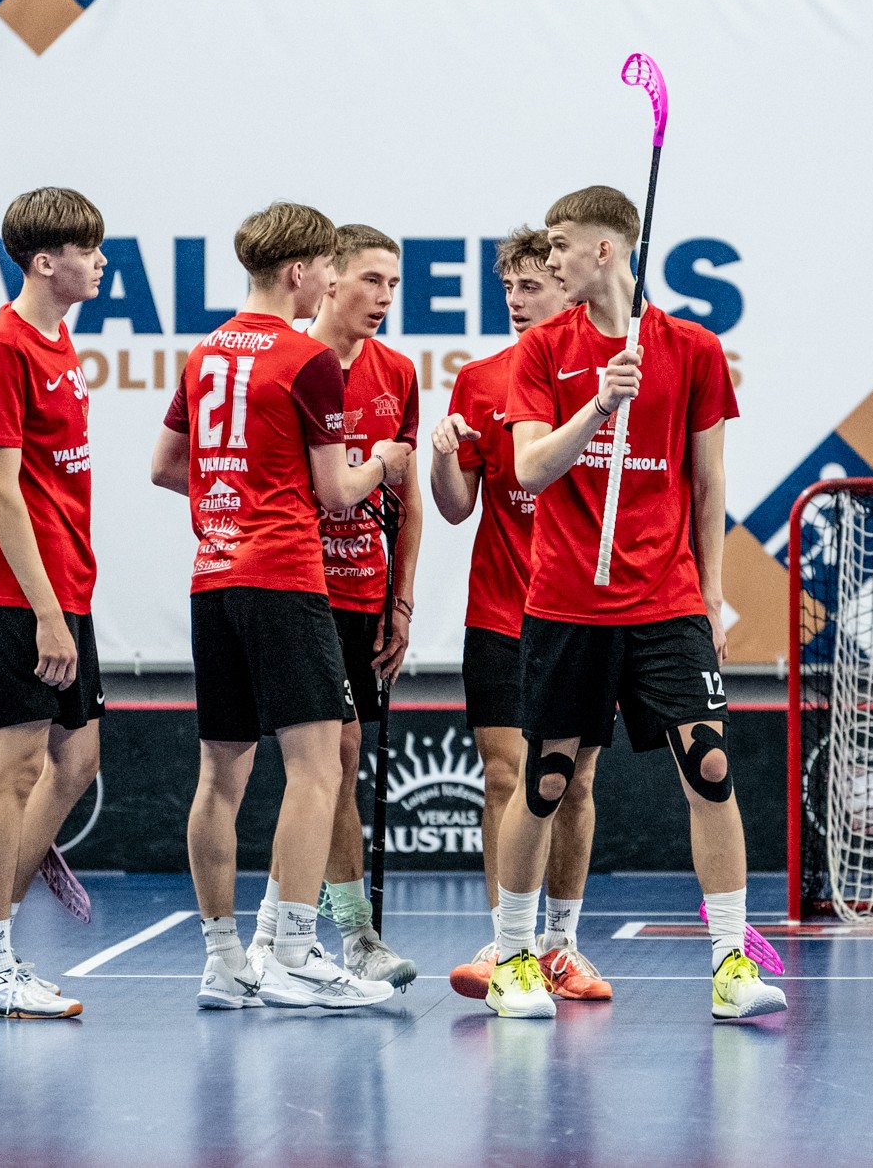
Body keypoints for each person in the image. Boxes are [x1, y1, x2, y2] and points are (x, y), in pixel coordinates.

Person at [487, 185, 783, 1021]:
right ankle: (513, 958)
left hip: (667, 599)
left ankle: (730, 962)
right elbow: (531, 467)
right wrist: (600, 402)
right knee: (547, 778)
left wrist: (711, 593)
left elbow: (709, 478)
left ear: (605, 249)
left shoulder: (692, 348)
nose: (549, 260)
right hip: (567, 601)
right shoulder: (543, 350)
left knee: (711, 765)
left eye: (560, 244)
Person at [149, 201, 408, 1009]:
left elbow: (165, 466)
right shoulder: (307, 360)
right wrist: (383, 462)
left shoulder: (205, 352)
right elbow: (336, 492)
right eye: (328, 267)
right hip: (285, 577)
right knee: (318, 767)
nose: (331, 281)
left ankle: (225, 958)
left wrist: (236, 498)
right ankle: (295, 951)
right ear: (299, 271)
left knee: (219, 775)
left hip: (214, 577)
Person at [431, 227, 610, 1004]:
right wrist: (443, 455)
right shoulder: (479, 381)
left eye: (530, 285)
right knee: (506, 775)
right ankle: (509, 943)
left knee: (574, 781)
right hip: (502, 611)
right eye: (507, 286)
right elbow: (455, 506)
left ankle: (561, 945)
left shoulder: (611, 378)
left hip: (584, 614)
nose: (514, 299)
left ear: (569, 287)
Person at [0, 187, 109, 1019]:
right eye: (88, 249)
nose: (101, 261)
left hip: (65, 584)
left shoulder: (59, 338)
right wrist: (45, 610)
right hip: (18, 592)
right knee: (16, 762)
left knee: (76, 760)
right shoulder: (2, 348)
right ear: (46, 262)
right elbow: (0, 490)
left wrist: (66, 597)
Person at [296, 222, 421, 989]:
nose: (383, 297)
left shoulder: (397, 372)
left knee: (342, 762)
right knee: (330, 756)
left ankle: (323, 931)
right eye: (372, 279)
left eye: (394, 284)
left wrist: (399, 603)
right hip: (298, 591)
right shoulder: (291, 361)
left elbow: (406, 502)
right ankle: (344, 934)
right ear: (331, 278)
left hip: (364, 597)